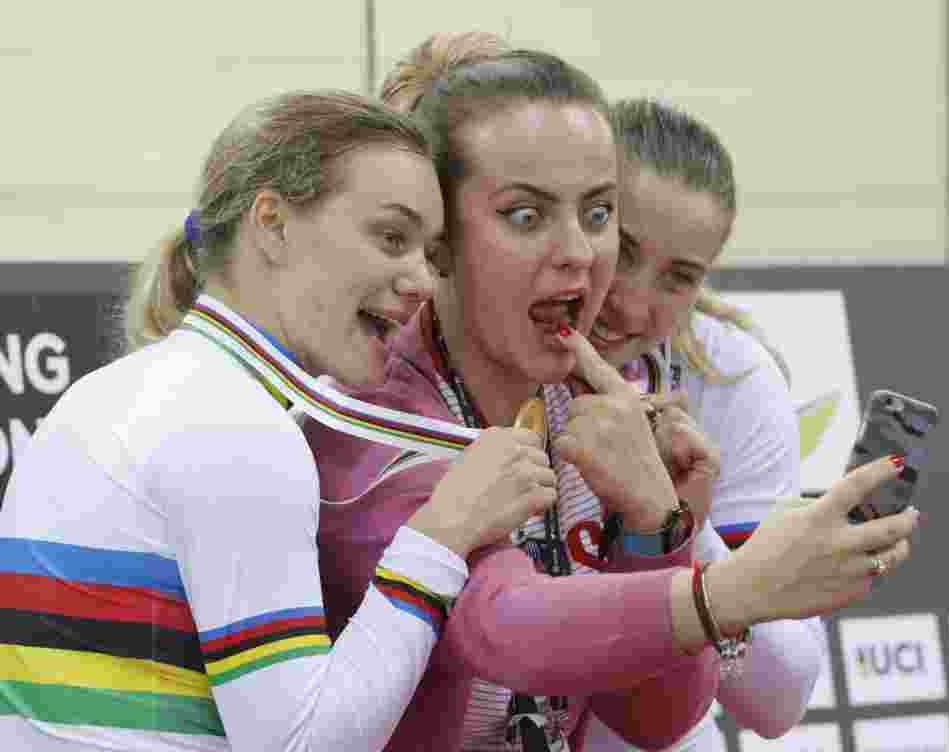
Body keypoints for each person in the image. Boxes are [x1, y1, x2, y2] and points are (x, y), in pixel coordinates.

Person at [305, 36, 920, 752]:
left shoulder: (607, 406)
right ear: (438, 242)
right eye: (527, 217)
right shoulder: (366, 405)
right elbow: (498, 628)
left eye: (598, 216)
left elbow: (653, 721)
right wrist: (733, 588)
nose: (579, 254)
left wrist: (658, 525)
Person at [0, 90, 558, 751]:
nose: (421, 282)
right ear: (273, 222)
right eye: (391, 237)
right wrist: (443, 534)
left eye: (428, 252)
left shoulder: (109, 393)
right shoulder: (235, 430)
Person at [581, 99, 827, 751]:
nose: (632, 301)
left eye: (678, 277)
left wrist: (676, 524)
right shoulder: (478, 355)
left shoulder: (727, 377)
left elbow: (779, 699)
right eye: (620, 249)